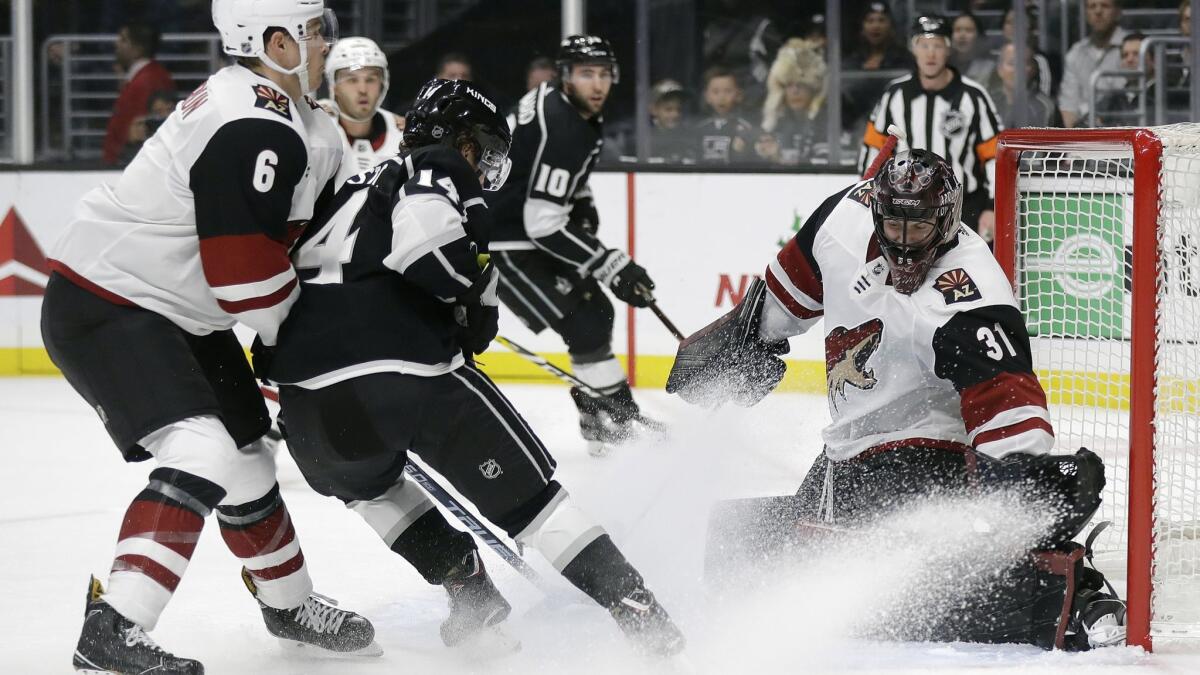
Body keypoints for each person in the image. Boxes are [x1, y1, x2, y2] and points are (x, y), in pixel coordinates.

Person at [264, 77, 686, 657]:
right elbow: (431, 253)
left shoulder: (335, 190)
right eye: (482, 147)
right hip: (407, 374)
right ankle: (641, 612)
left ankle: (466, 583)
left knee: (372, 490)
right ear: (457, 139)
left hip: (307, 403)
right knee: (536, 507)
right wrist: (476, 299)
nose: (484, 165)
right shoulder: (432, 166)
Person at [665, 148, 1128, 651]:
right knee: (735, 543)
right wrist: (741, 343)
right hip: (842, 453)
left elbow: (1006, 402)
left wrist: (1023, 485)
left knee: (883, 584)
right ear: (875, 212)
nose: (904, 247)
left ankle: (1064, 597)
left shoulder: (970, 294)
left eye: (919, 229)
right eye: (893, 227)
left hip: (927, 456)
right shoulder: (839, 223)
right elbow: (782, 300)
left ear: (947, 219)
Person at [42, 2, 380, 673]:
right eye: (315, 32)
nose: (327, 45)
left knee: (249, 457)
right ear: (276, 43)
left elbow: (311, 250)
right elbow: (244, 281)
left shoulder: (306, 123)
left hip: (181, 311)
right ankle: (113, 629)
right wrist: (311, 348)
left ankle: (288, 603)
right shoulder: (247, 119)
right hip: (111, 300)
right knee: (203, 448)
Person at [487, 35, 659, 455]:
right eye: (586, 74)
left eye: (603, 74)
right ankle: (615, 419)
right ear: (566, 77)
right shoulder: (562, 126)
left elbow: (555, 179)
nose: (597, 84)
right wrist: (610, 264)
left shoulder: (562, 104)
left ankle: (599, 413)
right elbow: (542, 223)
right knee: (582, 321)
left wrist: (581, 204)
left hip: (521, 229)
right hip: (503, 240)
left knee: (595, 312)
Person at [859, 15, 1002, 242]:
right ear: (913, 49)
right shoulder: (894, 95)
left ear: (948, 50)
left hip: (963, 208)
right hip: (904, 208)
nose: (931, 53)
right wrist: (865, 200)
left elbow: (995, 157)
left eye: (937, 45)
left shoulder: (973, 96)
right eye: (924, 45)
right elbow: (873, 151)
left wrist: (993, 207)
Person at [320, 36, 405, 187]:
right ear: (334, 86)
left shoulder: (402, 134)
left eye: (371, 79)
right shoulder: (317, 128)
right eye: (352, 80)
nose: (363, 90)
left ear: (383, 84)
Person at [102, 22, 175, 165]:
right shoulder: (143, 78)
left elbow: (146, 130)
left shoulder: (149, 80)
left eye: (123, 39)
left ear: (137, 49)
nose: (116, 44)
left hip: (129, 164)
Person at [842, 2, 914, 130]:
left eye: (881, 20)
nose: (876, 26)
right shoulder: (852, 61)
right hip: (857, 129)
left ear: (891, 26)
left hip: (895, 128)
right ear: (862, 28)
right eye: (870, 20)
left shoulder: (904, 59)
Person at [757, 38, 828, 166]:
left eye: (801, 84)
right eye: (789, 85)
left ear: (814, 88)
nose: (795, 92)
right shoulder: (773, 125)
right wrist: (771, 157)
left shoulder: (827, 125)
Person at [1059, 0, 1127, 128]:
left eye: (1105, 6)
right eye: (1092, 6)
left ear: (1118, 12)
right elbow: (1068, 108)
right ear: (1086, 13)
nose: (1098, 11)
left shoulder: (1130, 50)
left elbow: (1126, 98)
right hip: (1083, 132)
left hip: (1121, 129)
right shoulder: (1075, 53)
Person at [694, 65, 757, 165]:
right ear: (707, 96)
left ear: (738, 95)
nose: (721, 97)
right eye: (715, 92)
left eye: (728, 91)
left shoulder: (746, 129)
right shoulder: (700, 128)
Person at [987, 42, 1061, 127]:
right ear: (999, 69)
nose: (1018, 70)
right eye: (1012, 63)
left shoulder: (1045, 108)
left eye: (1025, 63)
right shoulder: (987, 102)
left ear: (1033, 69)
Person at [648, 78, 693, 163]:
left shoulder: (690, 138)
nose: (675, 115)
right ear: (653, 109)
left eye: (679, 109)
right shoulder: (643, 139)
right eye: (668, 109)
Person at [950, 12, 994, 84]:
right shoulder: (944, 64)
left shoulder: (989, 68)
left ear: (978, 36)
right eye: (957, 30)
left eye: (969, 30)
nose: (962, 36)